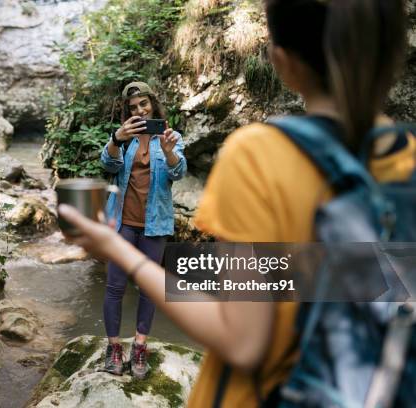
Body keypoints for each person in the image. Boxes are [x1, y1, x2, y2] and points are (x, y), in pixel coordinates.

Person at [60, 0, 414, 406]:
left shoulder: (257, 155)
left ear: (280, 61)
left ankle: (137, 345)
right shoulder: (410, 159)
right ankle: (115, 346)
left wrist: (113, 249)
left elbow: (245, 342)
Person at [100, 81, 187, 378]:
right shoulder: (125, 138)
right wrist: (115, 138)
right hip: (122, 223)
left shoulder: (171, 136)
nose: (140, 110)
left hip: (156, 225)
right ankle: (113, 347)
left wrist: (169, 151)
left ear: (153, 104)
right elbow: (108, 164)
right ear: (128, 112)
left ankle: (139, 346)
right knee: (114, 287)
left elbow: (179, 171)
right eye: (134, 107)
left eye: (144, 104)